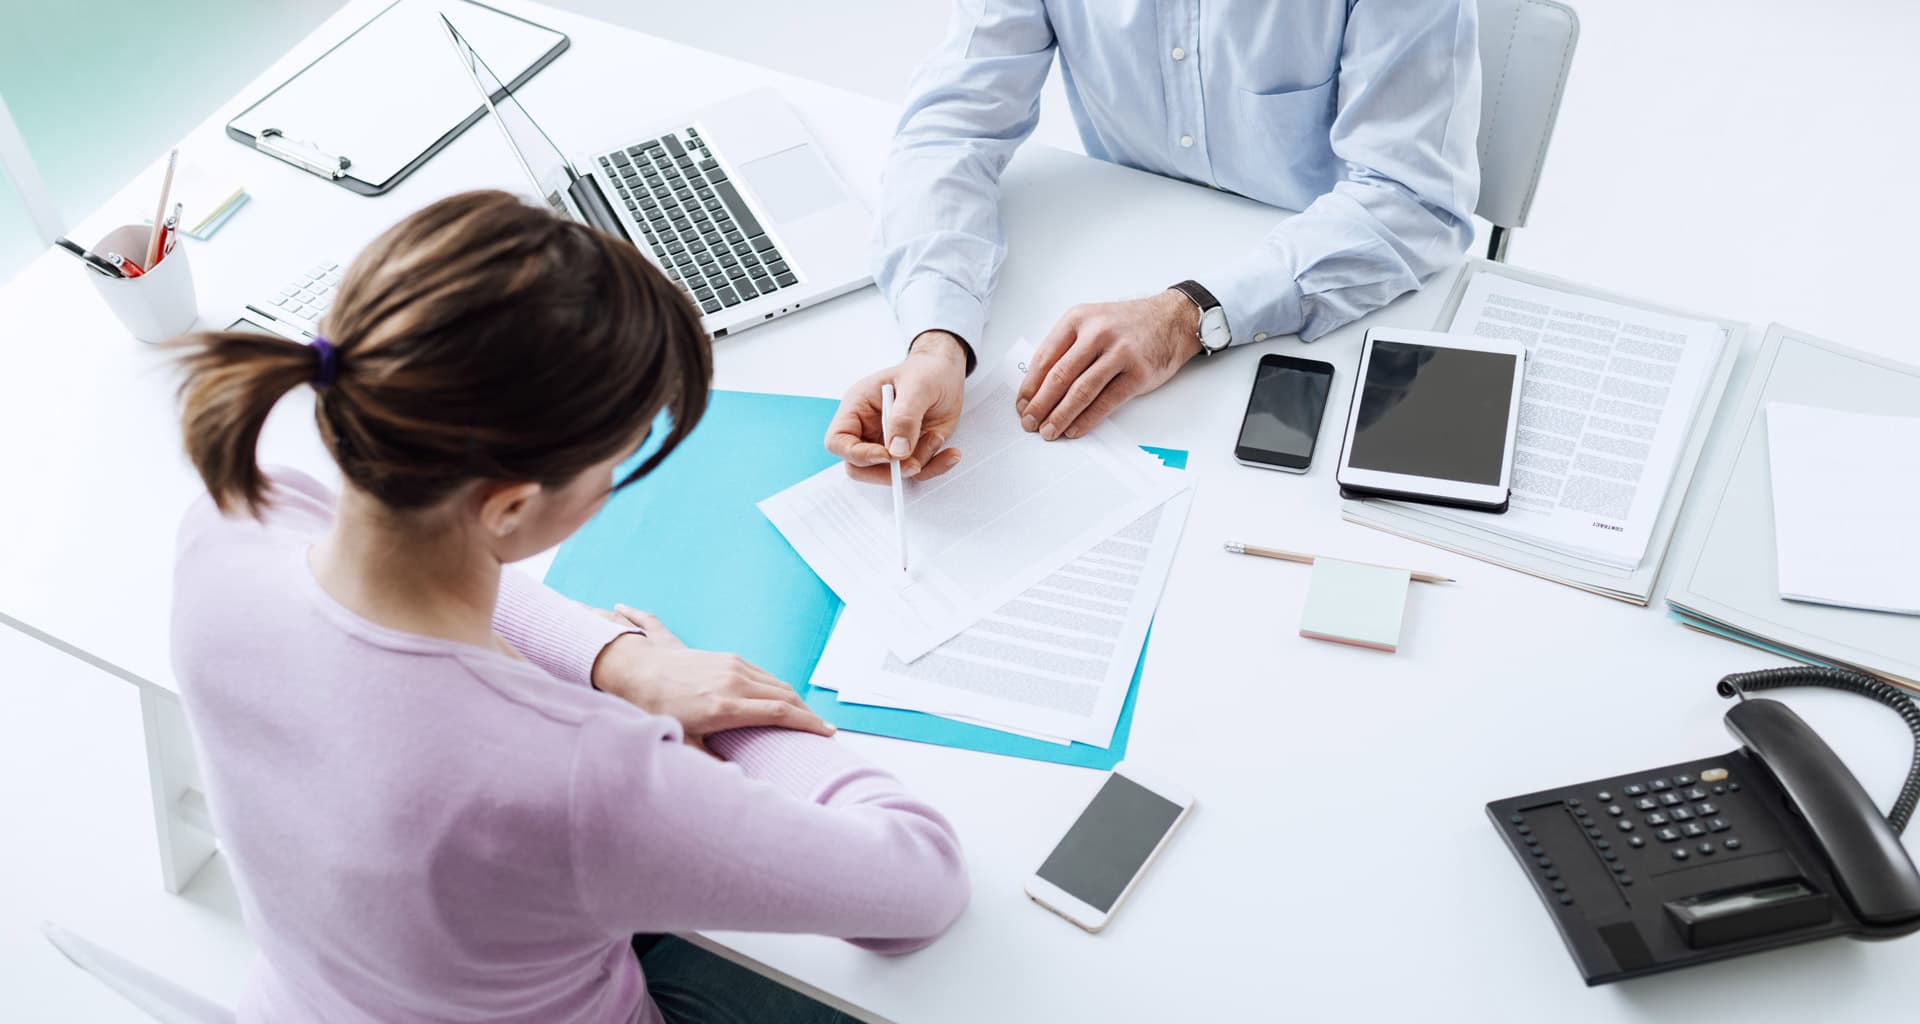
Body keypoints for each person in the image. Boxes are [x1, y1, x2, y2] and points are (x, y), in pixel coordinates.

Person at [168, 190, 968, 1023]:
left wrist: (621, 662)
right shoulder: (587, 780)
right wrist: (738, 712)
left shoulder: (230, 529)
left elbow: (394, 553)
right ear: (511, 507)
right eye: (613, 465)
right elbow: (921, 884)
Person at [828, 0, 1480, 481]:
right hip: (1123, 261)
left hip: (1330, 307)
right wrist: (940, 340)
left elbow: (1411, 196)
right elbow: (949, 131)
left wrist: (1187, 315)